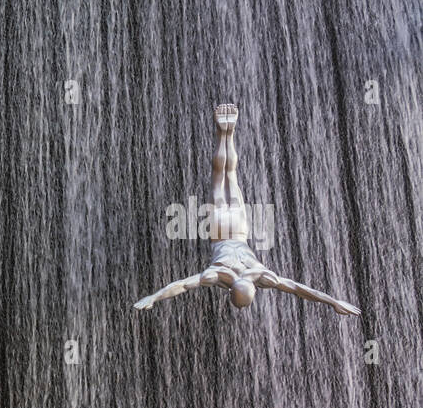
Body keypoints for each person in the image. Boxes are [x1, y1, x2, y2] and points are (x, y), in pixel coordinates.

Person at [135, 105, 360, 316]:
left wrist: (333, 302)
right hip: (220, 232)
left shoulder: (261, 276)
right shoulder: (216, 275)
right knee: (219, 177)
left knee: (230, 175)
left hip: (240, 230)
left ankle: (228, 134)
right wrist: (153, 297)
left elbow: (297, 288)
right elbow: (182, 285)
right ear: (232, 291)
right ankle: (224, 134)